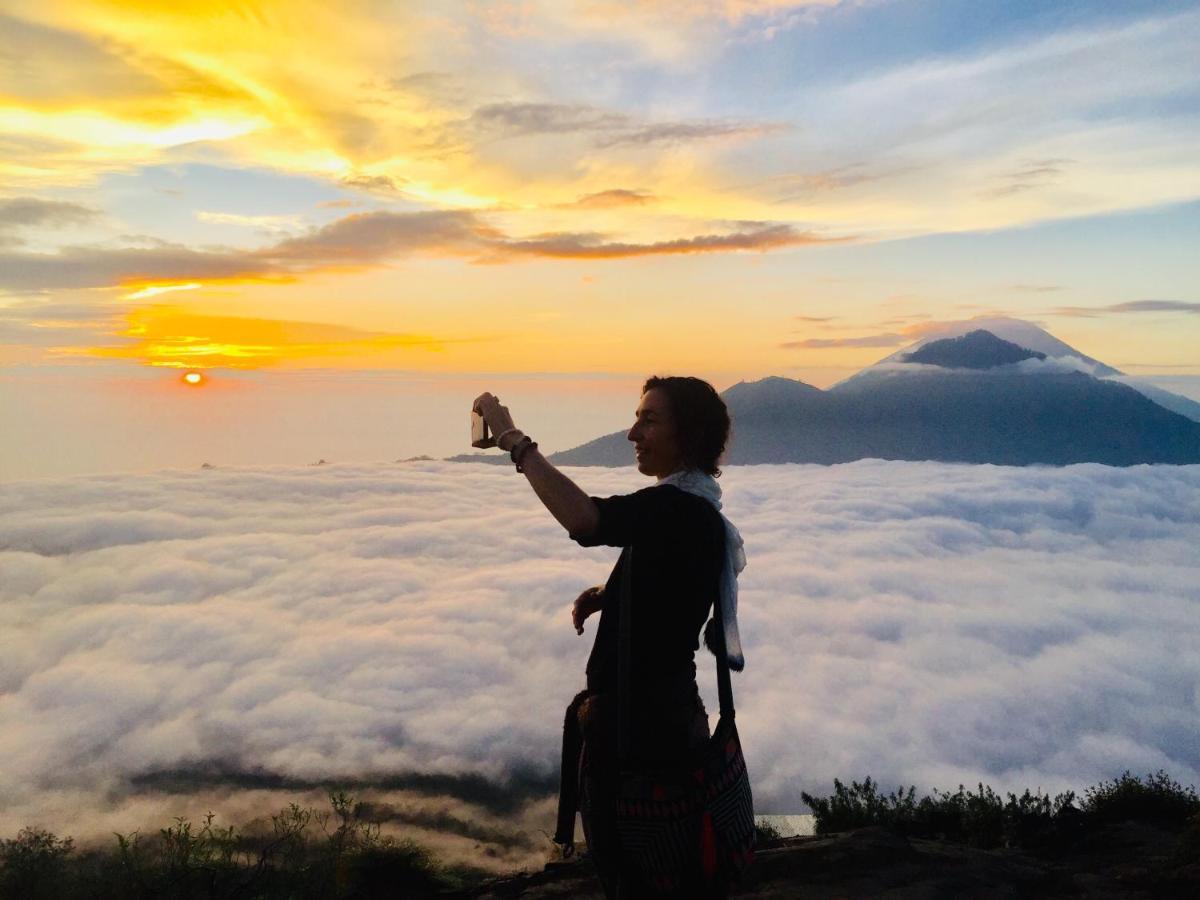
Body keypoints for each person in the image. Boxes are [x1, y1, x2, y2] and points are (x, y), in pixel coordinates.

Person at [472, 376, 746, 899]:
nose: (632, 433)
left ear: (686, 433)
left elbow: (585, 520)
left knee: (634, 875)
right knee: (665, 865)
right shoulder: (695, 512)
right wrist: (610, 594)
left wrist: (514, 441)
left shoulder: (674, 510)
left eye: (649, 419)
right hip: (670, 720)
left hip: (637, 736)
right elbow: (676, 588)